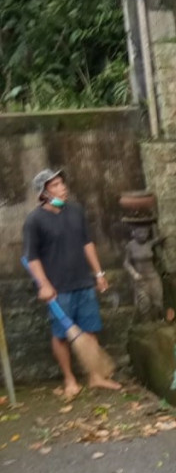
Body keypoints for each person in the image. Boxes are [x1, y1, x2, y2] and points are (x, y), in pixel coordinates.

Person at [22, 168, 120, 397]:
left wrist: (98, 274)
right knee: (60, 336)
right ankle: (69, 379)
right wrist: (44, 284)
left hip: (83, 282)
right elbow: (31, 257)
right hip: (57, 289)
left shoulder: (75, 211)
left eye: (61, 183)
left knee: (91, 330)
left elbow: (87, 243)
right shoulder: (34, 221)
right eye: (54, 185)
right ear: (43, 193)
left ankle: (96, 376)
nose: (62, 188)